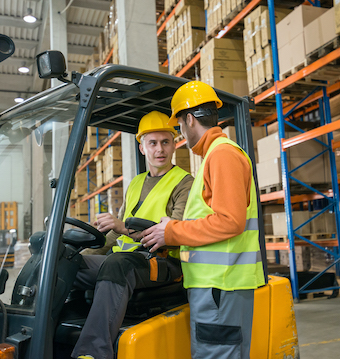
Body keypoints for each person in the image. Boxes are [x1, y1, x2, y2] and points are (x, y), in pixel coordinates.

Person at [139, 81, 265, 359]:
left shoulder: (222, 155)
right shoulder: (215, 156)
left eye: (180, 127)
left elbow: (230, 221)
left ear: (190, 119)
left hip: (221, 285)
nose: (182, 134)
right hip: (217, 285)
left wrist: (171, 232)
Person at [72, 111, 194, 359]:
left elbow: (173, 231)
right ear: (142, 148)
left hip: (163, 261)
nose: (160, 149)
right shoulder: (136, 183)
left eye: (165, 142)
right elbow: (113, 238)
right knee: (63, 261)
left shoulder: (184, 182)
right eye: (153, 143)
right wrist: (80, 254)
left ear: (174, 145)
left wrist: (122, 227)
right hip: (129, 259)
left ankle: (93, 352)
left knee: (118, 264)